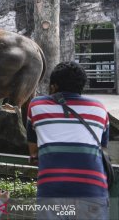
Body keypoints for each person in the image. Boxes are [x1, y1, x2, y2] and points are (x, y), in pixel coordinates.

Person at [27, 62, 110, 219]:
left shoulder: (36, 105)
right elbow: (102, 148)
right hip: (93, 192)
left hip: (52, 191)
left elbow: (33, 153)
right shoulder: (100, 108)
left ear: (54, 86)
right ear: (82, 86)